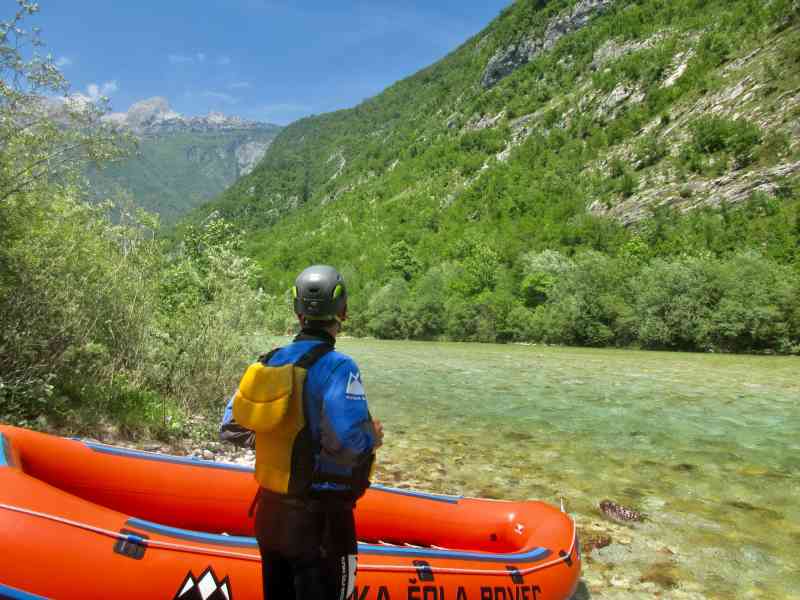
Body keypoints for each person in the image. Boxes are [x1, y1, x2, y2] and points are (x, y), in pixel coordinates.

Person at [220, 264, 383, 600]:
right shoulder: (340, 367)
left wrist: (284, 440)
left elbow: (231, 428)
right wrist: (373, 436)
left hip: (270, 517)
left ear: (298, 313)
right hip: (320, 524)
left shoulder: (269, 362)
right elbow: (349, 443)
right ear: (343, 312)